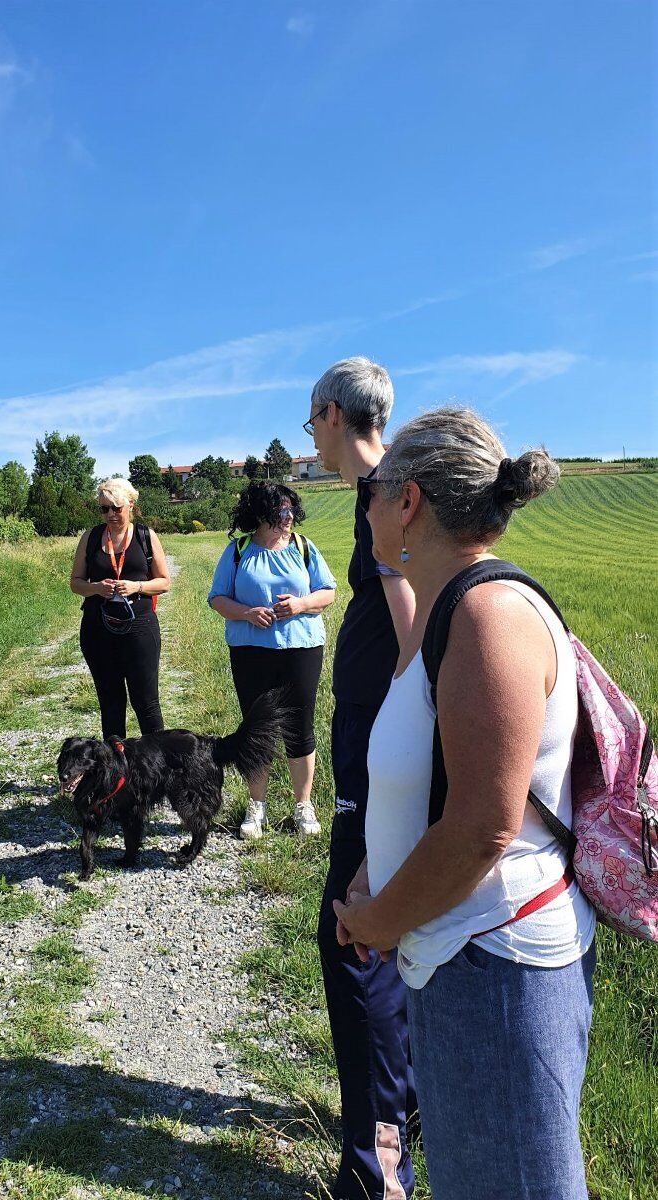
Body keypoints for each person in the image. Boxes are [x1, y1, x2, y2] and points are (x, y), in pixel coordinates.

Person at [333, 408, 596, 1199]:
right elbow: (426, 783)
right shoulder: (443, 607)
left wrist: (379, 919)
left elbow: (485, 825)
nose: (366, 506)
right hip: (458, 955)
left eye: (374, 491)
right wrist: (379, 880)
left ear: (407, 501)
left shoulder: (486, 616)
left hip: (501, 971)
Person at [305, 358, 417, 1199]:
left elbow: (417, 639)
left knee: (355, 938)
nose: (309, 432)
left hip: (383, 754)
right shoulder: (385, 491)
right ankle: (399, 1120)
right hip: (378, 749)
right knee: (374, 936)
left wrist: (398, 761)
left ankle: (375, 1167)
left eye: (311, 418)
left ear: (335, 413)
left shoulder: (388, 496)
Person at [208, 480, 336, 838]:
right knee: (257, 728)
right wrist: (247, 614)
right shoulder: (238, 551)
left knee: (300, 726)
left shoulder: (304, 548)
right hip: (250, 652)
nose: (289, 516)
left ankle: (303, 806)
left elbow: (328, 592)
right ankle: (256, 807)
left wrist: (300, 604)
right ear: (261, 513)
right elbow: (217, 598)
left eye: (291, 509)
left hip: (302, 648)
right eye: (282, 510)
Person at [70, 478, 171, 739]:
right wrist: (96, 588)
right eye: (104, 509)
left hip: (139, 628)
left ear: (131, 505)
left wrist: (136, 587)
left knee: (146, 703)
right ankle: (117, 773)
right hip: (97, 628)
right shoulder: (91, 538)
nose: (110, 515)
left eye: (116, 508)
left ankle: (156, 771)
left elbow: (164, 582)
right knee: (110, 703)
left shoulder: (145, 536)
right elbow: (76, 583)